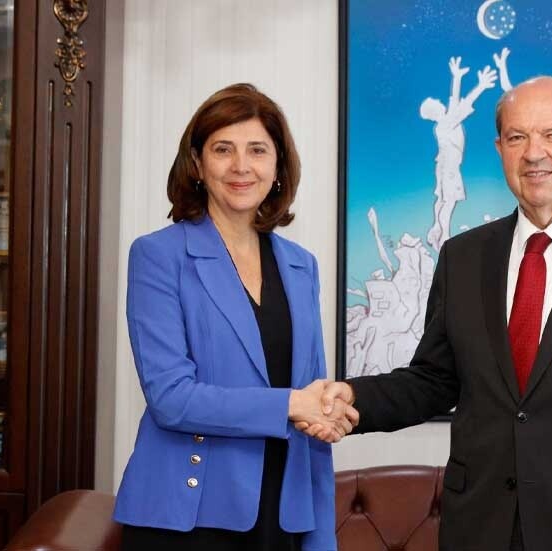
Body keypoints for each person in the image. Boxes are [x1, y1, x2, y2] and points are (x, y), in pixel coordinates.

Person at [309, 77, 552, 550]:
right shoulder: (463, 257)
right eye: (517, 137)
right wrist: (352, 398)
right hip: (481, 529)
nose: (534, 153)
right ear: (500, 149)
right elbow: (434, 380)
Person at [113, 83, 357, 551]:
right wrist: (290, 404)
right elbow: (171, 399)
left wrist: (321, 537)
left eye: (257, 150)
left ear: (278, 166)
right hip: (186, 520)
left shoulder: (301, 266)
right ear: (197, 163)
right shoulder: (158, 256)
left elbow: (315, 407)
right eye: (223, 149)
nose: (241, 166)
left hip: (283, 516)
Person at [421, 57, 497, 252]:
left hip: (445, 166)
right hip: (449, 167)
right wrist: (480, 86)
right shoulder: (446, 123)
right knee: (449, 201)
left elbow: (455, 102)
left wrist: (457, 77)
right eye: (436, 103)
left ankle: (437, 229)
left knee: (443, 200)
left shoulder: (445, 122)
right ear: (434, 110)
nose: (440, 102)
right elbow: (463, 105)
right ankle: (444, 234)